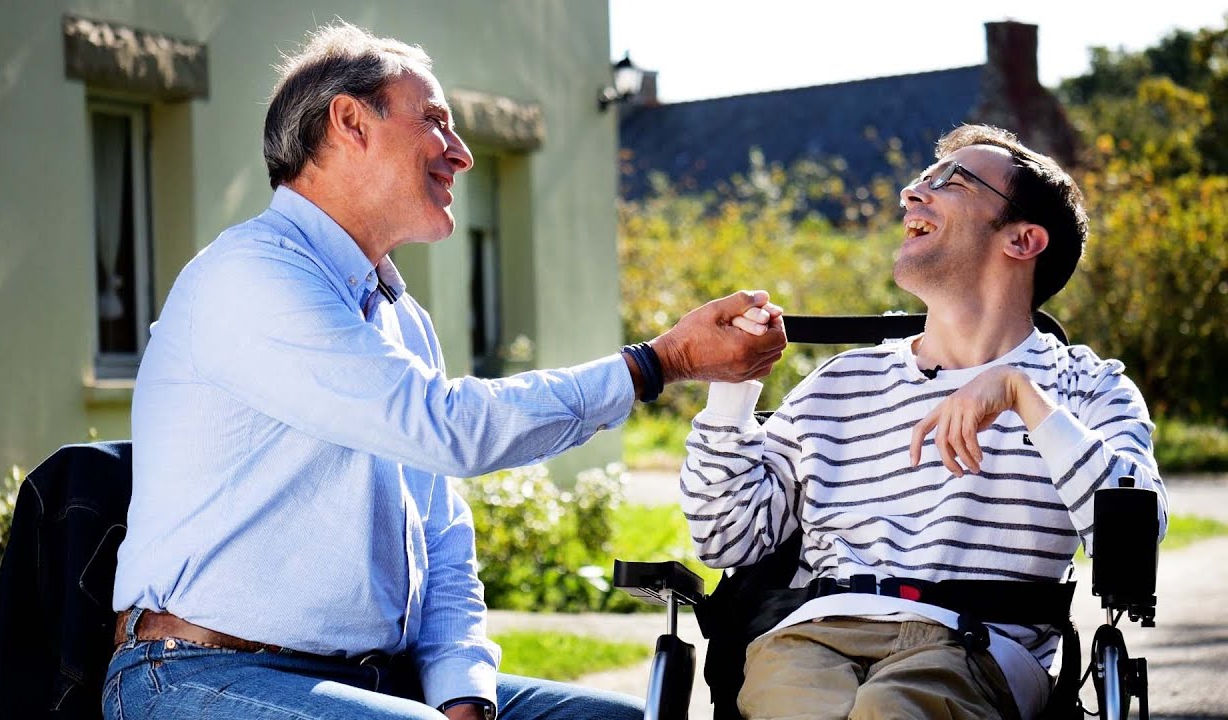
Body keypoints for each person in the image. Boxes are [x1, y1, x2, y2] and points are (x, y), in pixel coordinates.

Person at [105, 22, 787, 720]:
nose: (461, 154)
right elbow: (449, 429)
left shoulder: (401, 319)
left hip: (375, 681)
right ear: (349, 123)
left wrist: (464, 691)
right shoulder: (252, 276)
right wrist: (659, 362)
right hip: (199, 675)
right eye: (435, 121)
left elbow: (440, 536)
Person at [680, 124, 1167, 720]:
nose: (913, 192)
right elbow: (728, 537)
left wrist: (1023, 396)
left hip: (976, 646)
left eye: (951, 181)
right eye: (920, 179)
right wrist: (730, 388)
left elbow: (1133, 534)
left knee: (892, 708)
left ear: (1022, 240)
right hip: (812, 637)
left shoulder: (1086, 388)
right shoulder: (840, 382)